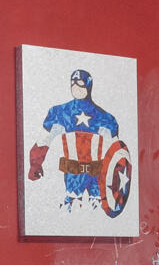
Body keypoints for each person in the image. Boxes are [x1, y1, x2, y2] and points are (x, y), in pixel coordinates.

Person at [29, 67, 121, 209]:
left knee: (96, 214)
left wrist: (118, 173)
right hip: (73, 175)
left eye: (81, 84)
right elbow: (44, 140)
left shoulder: (104, 117)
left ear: (88, 86)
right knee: (70, 213)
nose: (76, 88)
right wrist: (35, 163)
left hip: (97, 175)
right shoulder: (60, 112)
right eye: (73, 84)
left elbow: (116, 150)